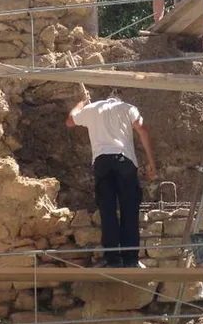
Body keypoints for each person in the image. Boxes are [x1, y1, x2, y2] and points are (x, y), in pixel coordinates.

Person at [67, 93, 157, 267]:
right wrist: (151, 161)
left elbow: (70, 121)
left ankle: (112, 260)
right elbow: (142, 130)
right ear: (119, 99)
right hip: (125, 161)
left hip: (102, 163)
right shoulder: (128, 108)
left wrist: (81, 103)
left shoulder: (91, 109)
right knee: (129, 210)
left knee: (107, 211)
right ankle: (131, 260)